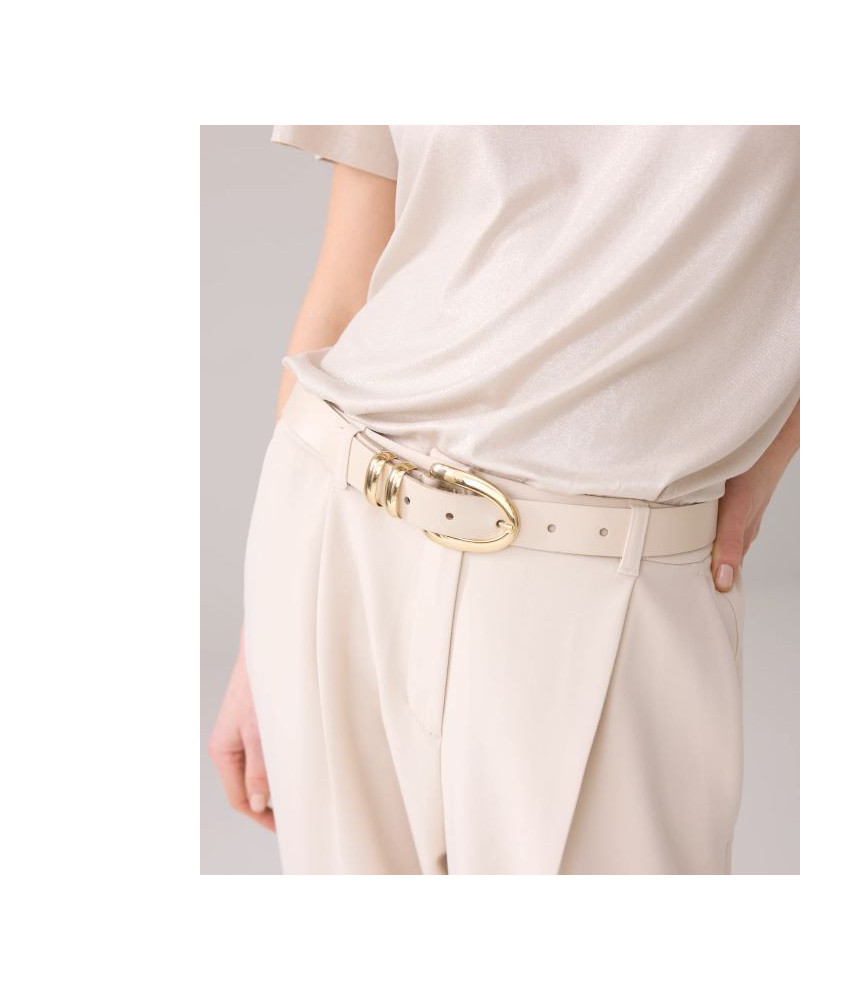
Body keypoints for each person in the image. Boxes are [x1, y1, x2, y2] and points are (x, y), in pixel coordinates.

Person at [209, 125, 800, 875]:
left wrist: (772, 453)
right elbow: (344, 288)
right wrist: (263, 633)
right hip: (337, 529)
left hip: (600, 576)